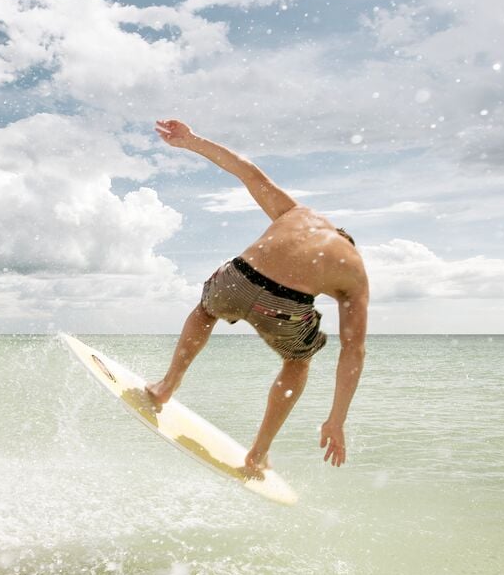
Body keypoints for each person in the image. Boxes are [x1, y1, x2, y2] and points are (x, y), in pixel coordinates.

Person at [146, 120, 369, 477]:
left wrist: (191, 141)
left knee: (205, 311)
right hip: (284, 308)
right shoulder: (355, 271)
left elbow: (248, 173)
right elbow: (353, 350)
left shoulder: (299, 214)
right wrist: (335, 420)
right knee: (297, 362)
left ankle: (166, 386)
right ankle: (259, 453)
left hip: (237, 279)